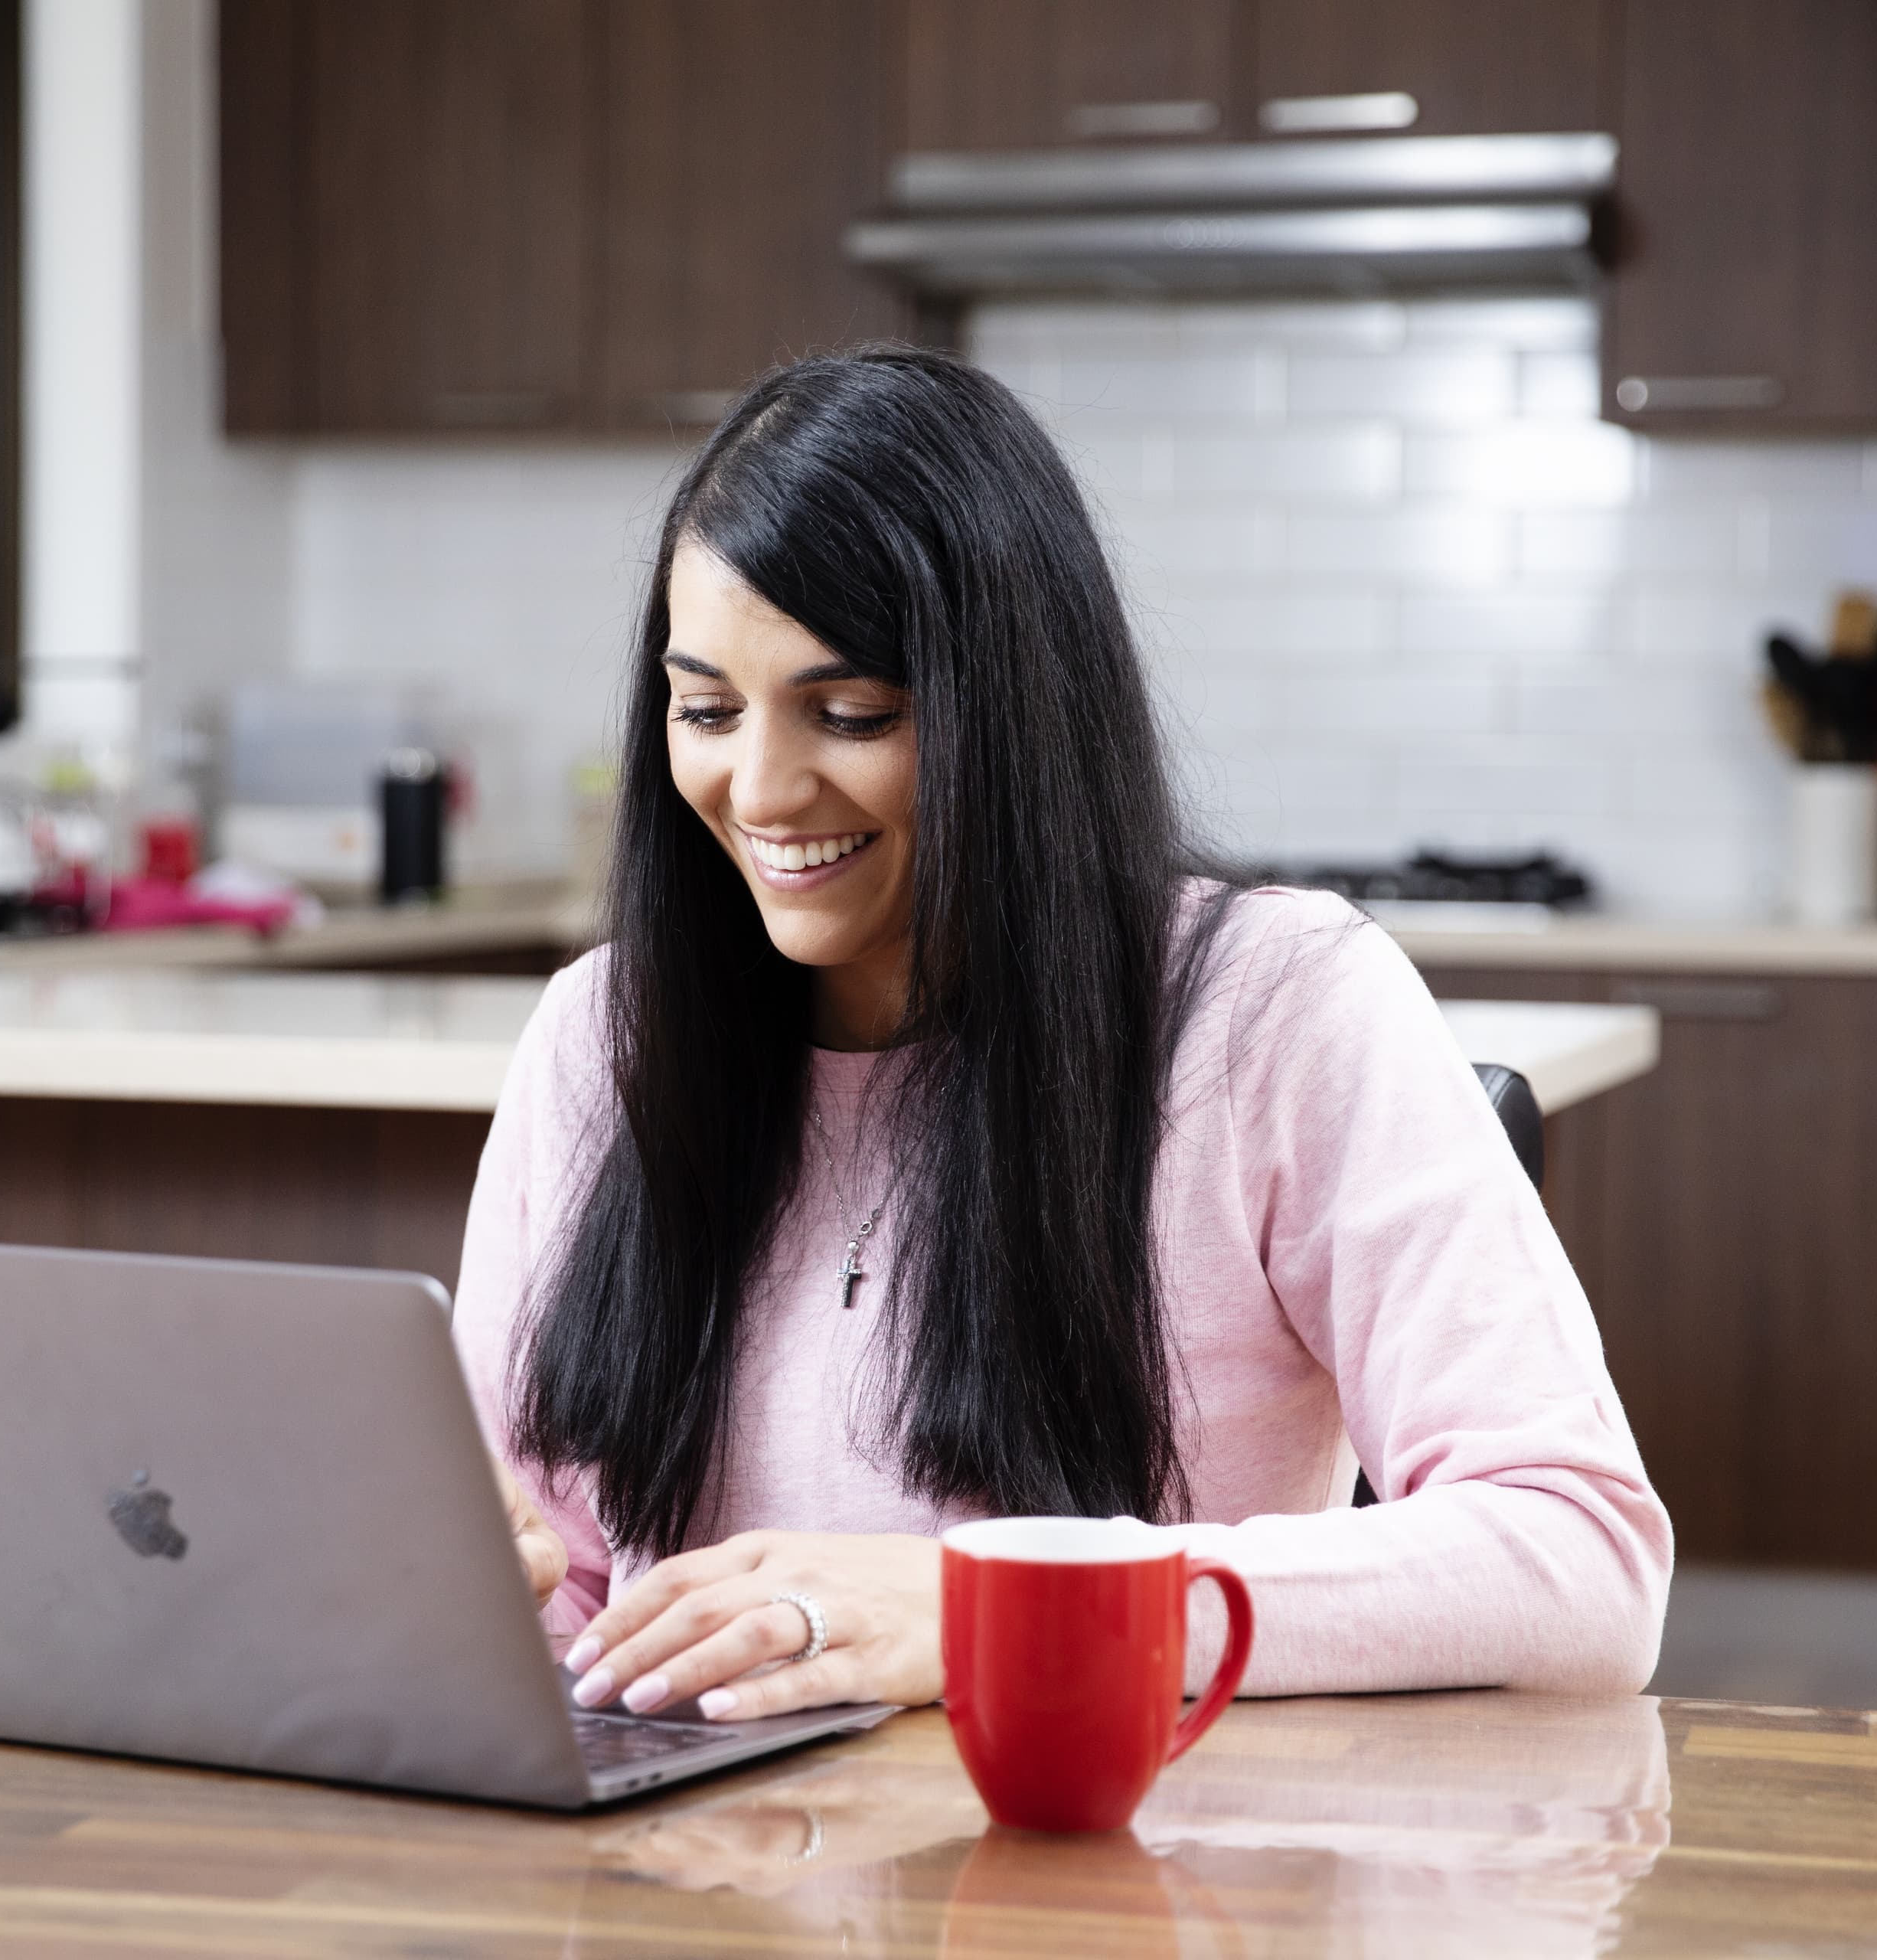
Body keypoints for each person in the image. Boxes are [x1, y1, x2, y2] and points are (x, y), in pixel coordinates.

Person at [455, 346, 1670, 1727]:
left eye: (850, 714)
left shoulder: (1277, 1008)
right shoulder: (599, 1043)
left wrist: (1008, 1611)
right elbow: (568, 1601)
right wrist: (467, 1590)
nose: (764, 787)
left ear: (1010, 714)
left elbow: (1582, 1558)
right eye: (709, 710)